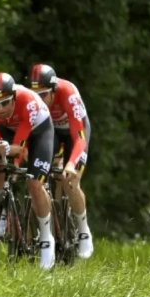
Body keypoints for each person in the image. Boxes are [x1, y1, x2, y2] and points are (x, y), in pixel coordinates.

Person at [0, 72, 56, 270]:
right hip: (8, 130)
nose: (0, 109)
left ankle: (47, 238)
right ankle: (1, 209)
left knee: (34, 183)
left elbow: (19, 149)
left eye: (5, 103)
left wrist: (14, 163)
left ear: (14, 97)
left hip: (38, 131)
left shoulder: (28, 102)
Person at [26, 63, 94, 259]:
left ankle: (83, 230)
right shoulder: (31, 102)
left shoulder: (68, 94)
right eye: (34, 94)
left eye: (43, 95)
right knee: (35, 180)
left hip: (74, 132)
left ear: (53, 90)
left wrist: (71, 165)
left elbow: (79, 138)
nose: (38, 99)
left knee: (69, 180)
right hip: (50, 132)